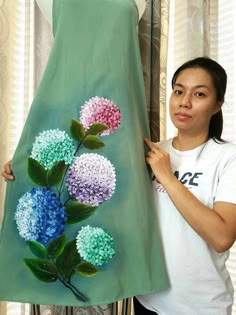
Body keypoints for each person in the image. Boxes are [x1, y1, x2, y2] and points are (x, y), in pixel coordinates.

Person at [0, 0, 169, 308]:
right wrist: (29, 161)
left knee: (119, 239)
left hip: (120, 134)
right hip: (66, 120)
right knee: (56, 225)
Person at [134, 56, 236, 315]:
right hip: (147, 300)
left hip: (200, 307)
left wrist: (168, 178)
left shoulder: (228, 158)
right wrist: (24, 169)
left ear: (217, 105)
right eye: (178, 91)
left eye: (199, 94)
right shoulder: (154, 152)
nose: (184, 102)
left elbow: (222, 237)